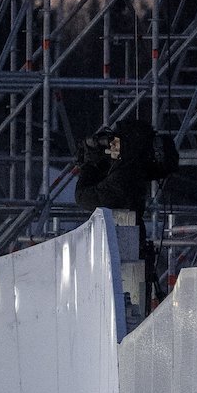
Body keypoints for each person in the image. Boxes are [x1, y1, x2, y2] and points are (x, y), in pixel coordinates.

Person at [76, 115, 179, 302]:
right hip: (133, 251)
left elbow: (83, 197)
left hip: (120, 261)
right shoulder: (137, 169)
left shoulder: (122, 179)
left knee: (129, 308)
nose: (111, 148)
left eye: (115, 143)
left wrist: (90, 165)